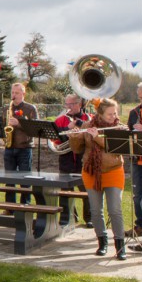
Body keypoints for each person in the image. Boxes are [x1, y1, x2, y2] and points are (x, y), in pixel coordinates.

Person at [68, 98, 127, 260]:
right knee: (95, 210)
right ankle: (102, 243)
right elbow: (77, 149)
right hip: (91, 171)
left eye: (115, 113)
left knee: (115, 210)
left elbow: (114, 149)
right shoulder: (88, 126)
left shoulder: (119, 128)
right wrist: (74, 136)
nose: (113, 116)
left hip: (113, 170)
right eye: (110, 114)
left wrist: (97, 138)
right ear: (99, 114)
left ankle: (120, 246)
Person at [54, 94, 92, 227]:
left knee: (88, 191)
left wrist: (80, 130)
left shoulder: (89, 119)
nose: (68, 107)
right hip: (66, 160)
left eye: (72, 104)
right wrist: (67, 129)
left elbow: (92, 139)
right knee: (65, 192)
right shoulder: (60, 121)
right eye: (67, 104)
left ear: (80, 104)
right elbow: (55, 140)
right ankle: (69, 217)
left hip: (84, 160)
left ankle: (89, 218)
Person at [4, 83, 38, 205]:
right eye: (12, 92)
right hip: (9, 147)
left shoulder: (30, 108)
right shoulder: (8, 108)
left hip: (24, 147)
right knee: (9, 180)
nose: (14, 95)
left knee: (25, 180)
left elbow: (35, 128)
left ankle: (25, 206)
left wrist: (18, 124)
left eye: (17, 93)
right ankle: (10, 207)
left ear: (23, 94)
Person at [129, 82, 142, 251]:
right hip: (136, 159)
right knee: (137, 196)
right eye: (140, 97)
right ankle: (140, 226)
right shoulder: (134, 112)